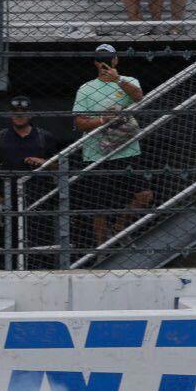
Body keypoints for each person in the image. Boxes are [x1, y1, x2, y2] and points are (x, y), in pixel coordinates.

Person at [71, 42, 151, 243]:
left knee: (145, 195)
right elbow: (79, 123)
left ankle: (120, 226)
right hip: (97, 153)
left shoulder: (129, 80)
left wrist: (119, 79)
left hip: (127, 150)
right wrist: (103, 121)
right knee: (100, 207)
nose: (104, 63)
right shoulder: (86, 89)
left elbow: (139, 97)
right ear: (95, 63)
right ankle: (102, 248)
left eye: (108, 59)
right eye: (100, 60)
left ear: (116, 60)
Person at [0, 95, 60, 243]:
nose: (19, 114)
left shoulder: (44, 136)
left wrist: (43, 162)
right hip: (9, 200)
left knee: (39, 240)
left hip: (38, 199)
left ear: (30, 114)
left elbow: (58, 166)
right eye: (15, 111)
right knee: (10, 240)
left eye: (23, 111)